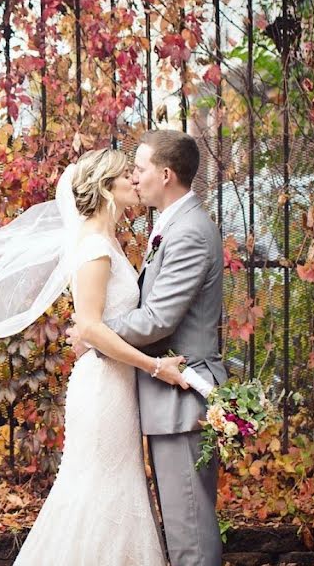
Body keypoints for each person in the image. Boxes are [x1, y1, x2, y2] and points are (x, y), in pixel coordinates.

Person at [14, 147, 184, 565]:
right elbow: (89, 326)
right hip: (103, 388)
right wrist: (155, 366)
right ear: (106, 188)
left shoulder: (107, 241)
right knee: (100, 492)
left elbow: (99, 324)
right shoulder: (94, 246)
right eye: (126, 175)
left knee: (118, 489)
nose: (135, 180)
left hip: (118, 385)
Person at [67, 131, 226, 566]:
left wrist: (92, 332)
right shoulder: (170, 224)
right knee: (181, 529)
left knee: (189, 534)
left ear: (165, 174)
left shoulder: (189, 230)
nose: (134, 178)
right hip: (162, 398)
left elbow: (159, 318)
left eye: (139, 168)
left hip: (181, 394)